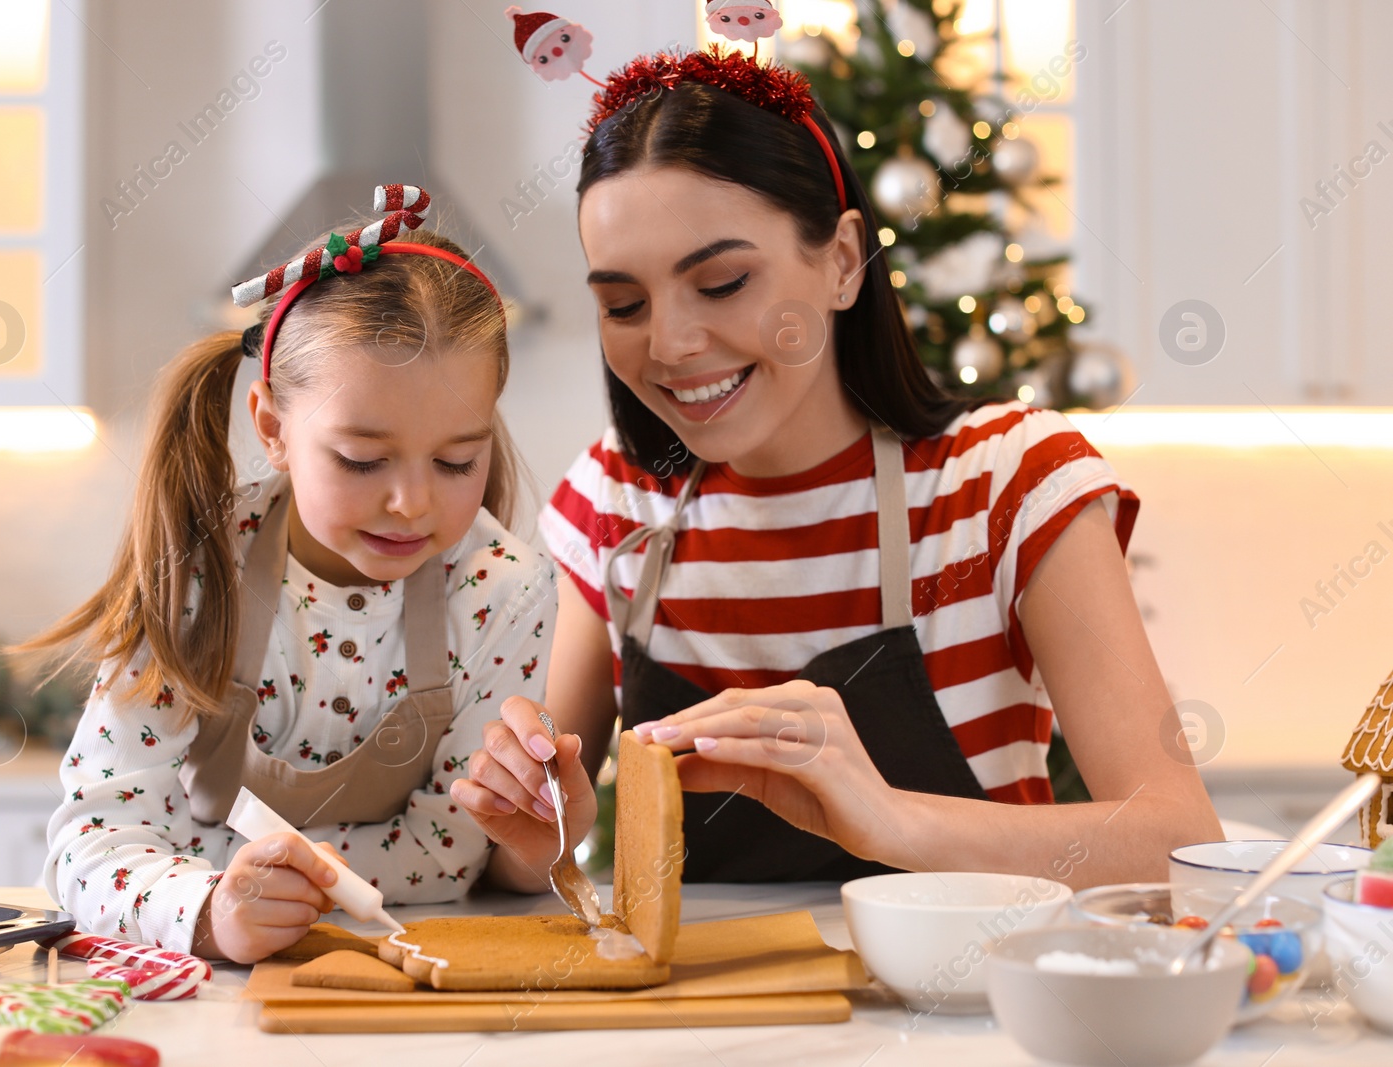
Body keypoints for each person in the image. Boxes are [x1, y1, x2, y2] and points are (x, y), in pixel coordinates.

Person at [449, 50, 1221, 892]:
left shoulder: (1006, 481)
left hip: (970, 1015)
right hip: (711, 1015)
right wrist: (534, 820)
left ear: (844, 261)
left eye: (723, 281)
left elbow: (1178, 845)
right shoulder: (616, 494)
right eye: (624, 305)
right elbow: (530, 859)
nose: (669, 344)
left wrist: (887, 816)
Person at [19, 188, 557, 963]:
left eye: (455, 460)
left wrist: (286, 880)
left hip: (396, 983)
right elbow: (91, 840)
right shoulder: (199, 567)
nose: (410, 501)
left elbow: (453, 848)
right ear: (272, 427)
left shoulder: (504, 591)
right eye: (363, 459)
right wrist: (213, 907)